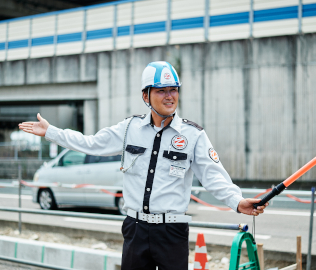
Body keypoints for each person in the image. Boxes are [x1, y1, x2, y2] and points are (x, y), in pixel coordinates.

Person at [19, 61, 268, 270]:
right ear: (145, 95)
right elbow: (91, 144)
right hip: (135, 229)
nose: (169, 96)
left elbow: (214, 176)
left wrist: (237, 201)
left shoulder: (193, 135)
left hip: (172, 231)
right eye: (161, 90)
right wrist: (51, 132)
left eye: (174, 90)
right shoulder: (128, 129)